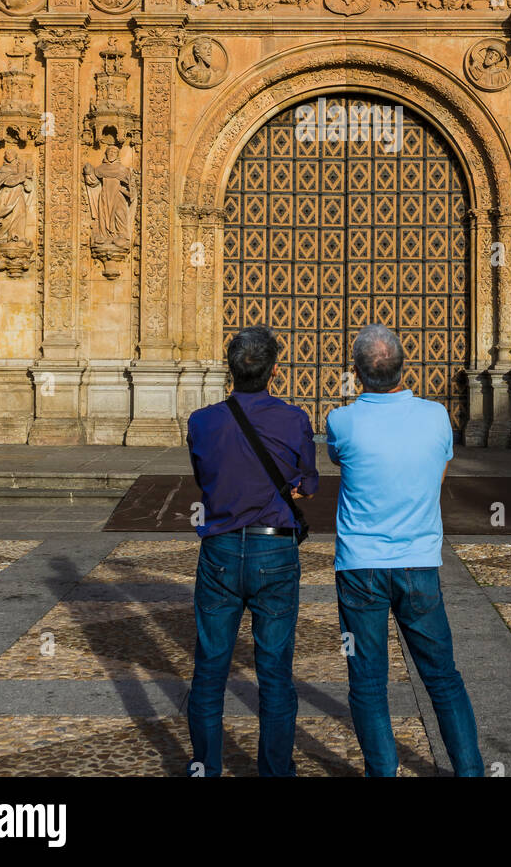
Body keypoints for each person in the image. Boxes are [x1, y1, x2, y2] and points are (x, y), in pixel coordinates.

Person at [326, 323, 484, 777]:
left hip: (360, 569)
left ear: (355, 374)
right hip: (419, 567)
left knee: (368, 682)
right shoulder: (437, 417)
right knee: (443, 677)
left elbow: (339, 458)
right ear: (405, 367)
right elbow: (438, 476)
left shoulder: (341, 421)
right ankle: (470, 771)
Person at [185, 326, 318, 778]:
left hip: (220, 549)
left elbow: (206, 475)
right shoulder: (295, 419)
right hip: (275, 551)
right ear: (275, 370)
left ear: (230, 368)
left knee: (209, 669)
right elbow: (309, 483)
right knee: (275, 672)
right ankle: (276, 772)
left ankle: (205, 767)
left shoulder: (201, 421)